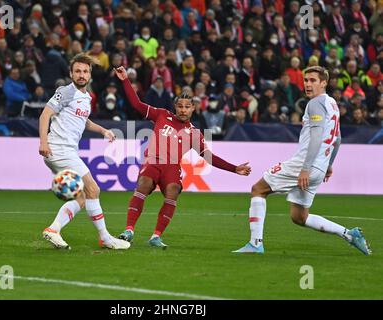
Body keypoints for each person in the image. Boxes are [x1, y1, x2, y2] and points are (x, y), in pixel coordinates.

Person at [233, 66, 372, 255]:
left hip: (305, 164)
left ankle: (255, 244)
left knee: (258, 189)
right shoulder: (332, 104)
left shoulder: (315, 103)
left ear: (324, 83)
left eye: (313, 80)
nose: (307, 84)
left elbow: (316, 137)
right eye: (306, 80)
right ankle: (349, 234)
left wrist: (306, 169)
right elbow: (337, 137)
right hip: (320, 167)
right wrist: (329, 164)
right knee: (299, 216)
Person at [114, 66, 251, 249]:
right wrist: (125, 80)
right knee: (144, 184)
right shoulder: (162, 115)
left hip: (171, 167)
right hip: (154, 161)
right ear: (175, 107)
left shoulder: (194, 133)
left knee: (173, 191)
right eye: (180, 106)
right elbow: (137, 104)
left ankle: (156, 236)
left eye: (187, 107)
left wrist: (234, 168)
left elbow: (209, 157)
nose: (183, 110)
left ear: (193, 108)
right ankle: (129, 230)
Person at [39, 53, 130, 250]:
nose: (82, 75)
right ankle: (105, 238)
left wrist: (103, 130)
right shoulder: (66, 91)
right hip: (60, 149)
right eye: (78, 71)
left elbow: (84, 121)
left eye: (85, 71)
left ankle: (54, 229)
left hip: (65, 151)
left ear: (90, 75)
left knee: (81, 198)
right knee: (93, 189)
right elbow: (45, 114)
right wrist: (43, 142)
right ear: (71, 73)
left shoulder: (86, 97)